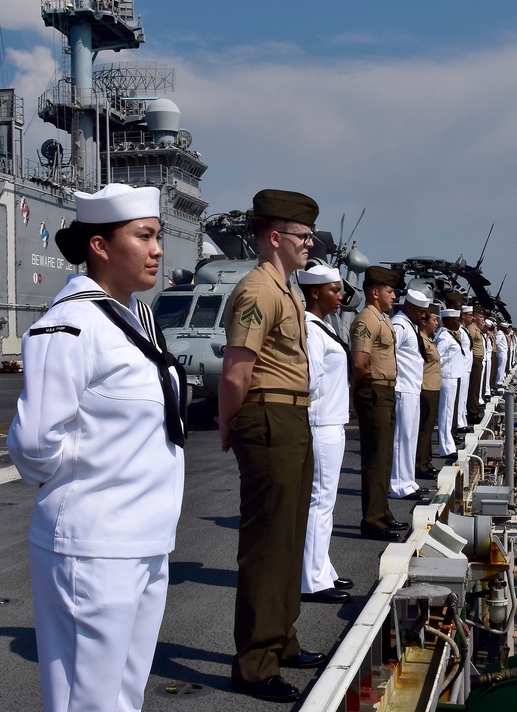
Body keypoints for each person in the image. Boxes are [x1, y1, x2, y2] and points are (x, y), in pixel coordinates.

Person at [7, 183, 187, 712]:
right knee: (89, 701)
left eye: (158, 237)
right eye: (144, 236)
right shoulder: (72, 324)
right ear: (100, 247)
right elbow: (37, 443)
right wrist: (86, 479)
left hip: (147, 539)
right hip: (95, 543)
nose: (157, 249)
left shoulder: (138, 319)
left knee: (123, 696)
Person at [218, 188, 322, 703]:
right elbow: (237, 368)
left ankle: (281, 639)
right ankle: (254, 664)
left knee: (289, 537)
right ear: (275, 237)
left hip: (292, 416)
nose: (310, 244)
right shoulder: (258, 290)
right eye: (303, 236)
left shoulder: (287, 288)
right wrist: (226, 421)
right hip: (268, 417)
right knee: (266, 545)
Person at [298, 265, 354, 605]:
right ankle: (312, 580)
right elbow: (309, 380)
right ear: (315, 292)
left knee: (325, 504)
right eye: (334, 290)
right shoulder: (310, 328)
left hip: (332, 422)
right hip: (321, 424)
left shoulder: (323, 325)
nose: (341, 296)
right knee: (319, 503)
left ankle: (322, 568)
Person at [350, 265, 407, 541]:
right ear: (375, 292)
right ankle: (371, 520)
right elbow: (360, 363)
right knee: (375, 458)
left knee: (385, 457)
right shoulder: (367, 320)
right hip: (373, 392)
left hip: (385, 392)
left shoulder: (383, 318)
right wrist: (353, 389)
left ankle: (382, 512)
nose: (394, 295)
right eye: (389, 290)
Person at [390, 289, 431, 500]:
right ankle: (398, 485)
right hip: (403, 388)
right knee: (402, 438)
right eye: (421, 311)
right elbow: (389, 352)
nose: (423, 315)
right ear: (410, 308)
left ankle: (409, 482)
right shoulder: (399, 324)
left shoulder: (410, 325)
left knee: (411, 437)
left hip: (412, 388)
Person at [415, 304, 442, 481]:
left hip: (433, 386)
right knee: (424, 428)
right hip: (426, 387)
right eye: (434, 320)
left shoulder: (429, 339)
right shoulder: (421, 340)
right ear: (424, 321)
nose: (437, 323)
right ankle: (420, 464)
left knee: (429, 426)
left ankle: (427, 461)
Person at [435, 308, 464, 457]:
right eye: (457, 320)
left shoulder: (448, 335)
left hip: (452, 377)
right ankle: (446, 449)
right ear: (449, 321)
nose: (459, 323)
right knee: (446, 414)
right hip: (447, 377)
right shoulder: (445, 337)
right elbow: (437, 358)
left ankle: (448, 445)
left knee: (448, 413)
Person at [466, 306, 486, 423]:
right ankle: (472, 413)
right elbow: (468, 345)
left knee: (476, 387)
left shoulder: (476, 329)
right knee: (473, 388)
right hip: (474, 360)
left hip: (478, 359)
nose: (482, 319)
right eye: (481, 317)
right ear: (474, 317)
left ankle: (474, 410)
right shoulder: (472, 329)